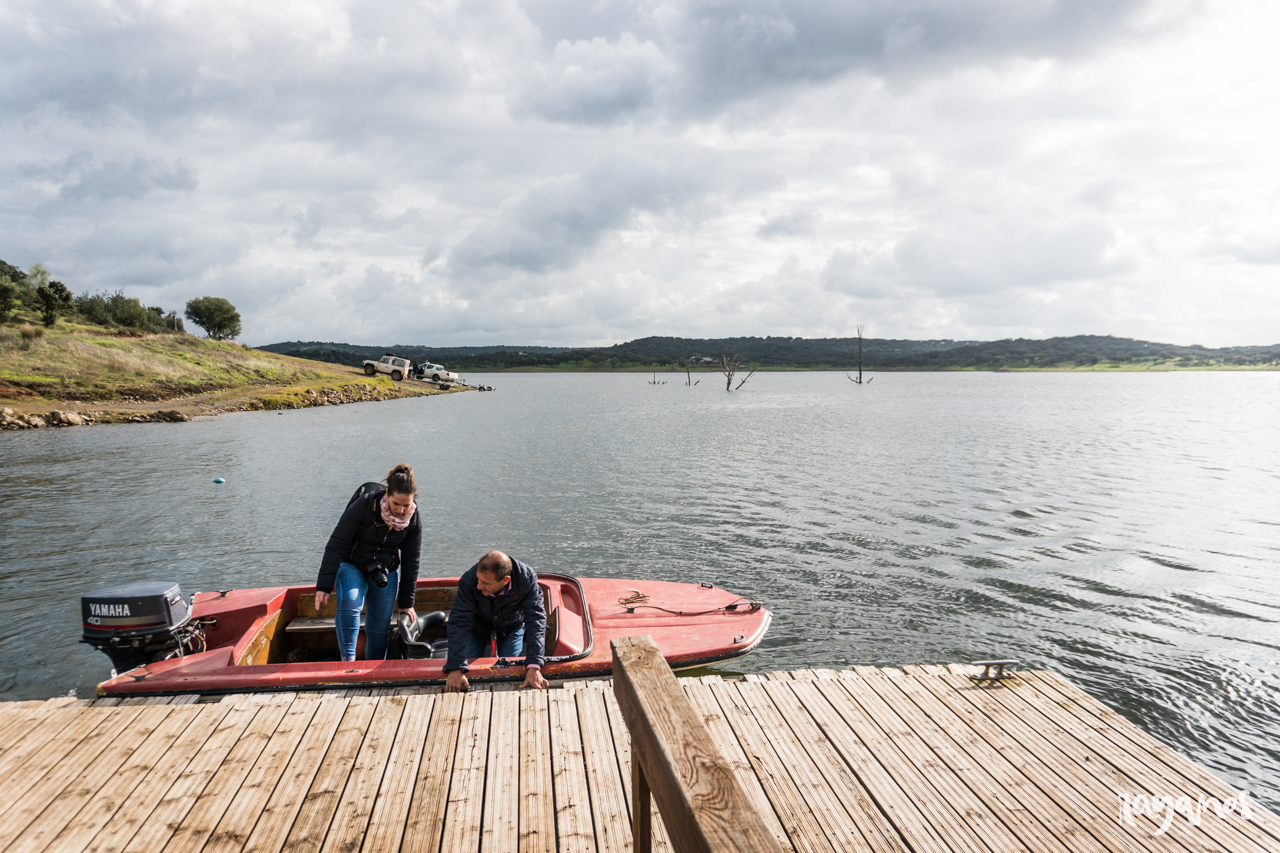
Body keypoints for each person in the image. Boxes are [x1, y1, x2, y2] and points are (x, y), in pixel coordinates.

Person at [315, 464, 421, 661]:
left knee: (380, 628)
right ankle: (348, 663)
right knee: (351, 602)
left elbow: (411, 561)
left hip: (385, 569)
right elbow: (337, 543)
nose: (400, 510)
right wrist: (323, 585)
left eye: (406, 505)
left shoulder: (413, 518)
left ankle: (374, 670)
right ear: (387, 493)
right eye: (396, 503)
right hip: (352, 564)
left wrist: (407, 602)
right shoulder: (364, 505)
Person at [444, 550, 548, 692]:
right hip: (477, 627)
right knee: (466, 665)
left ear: (505, 580)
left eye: (485, 583)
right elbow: (459, 621)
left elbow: (536, 619)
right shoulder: (469, 580)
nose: (479, 586)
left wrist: (535, 665)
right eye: (478, 580)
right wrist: (456, 667)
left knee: (512, 670)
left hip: (512, 626)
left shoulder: (526, 579)